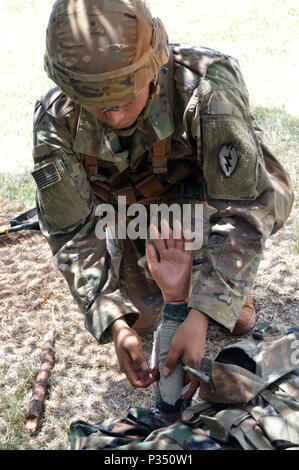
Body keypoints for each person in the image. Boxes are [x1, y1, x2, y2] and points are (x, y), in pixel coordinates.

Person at [31, 0, 294, 403]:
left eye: (125, 97)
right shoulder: (56, 119)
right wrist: (115, 322)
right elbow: (71, 233)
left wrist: (205, 312)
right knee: (146, 316)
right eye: (99, 104)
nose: (115, 116)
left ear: (153, 68)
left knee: (216, 298)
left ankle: (222, 295)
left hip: (206, 203)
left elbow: (245, 206)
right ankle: (187, 287)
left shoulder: (206, 86)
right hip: (131, 216)